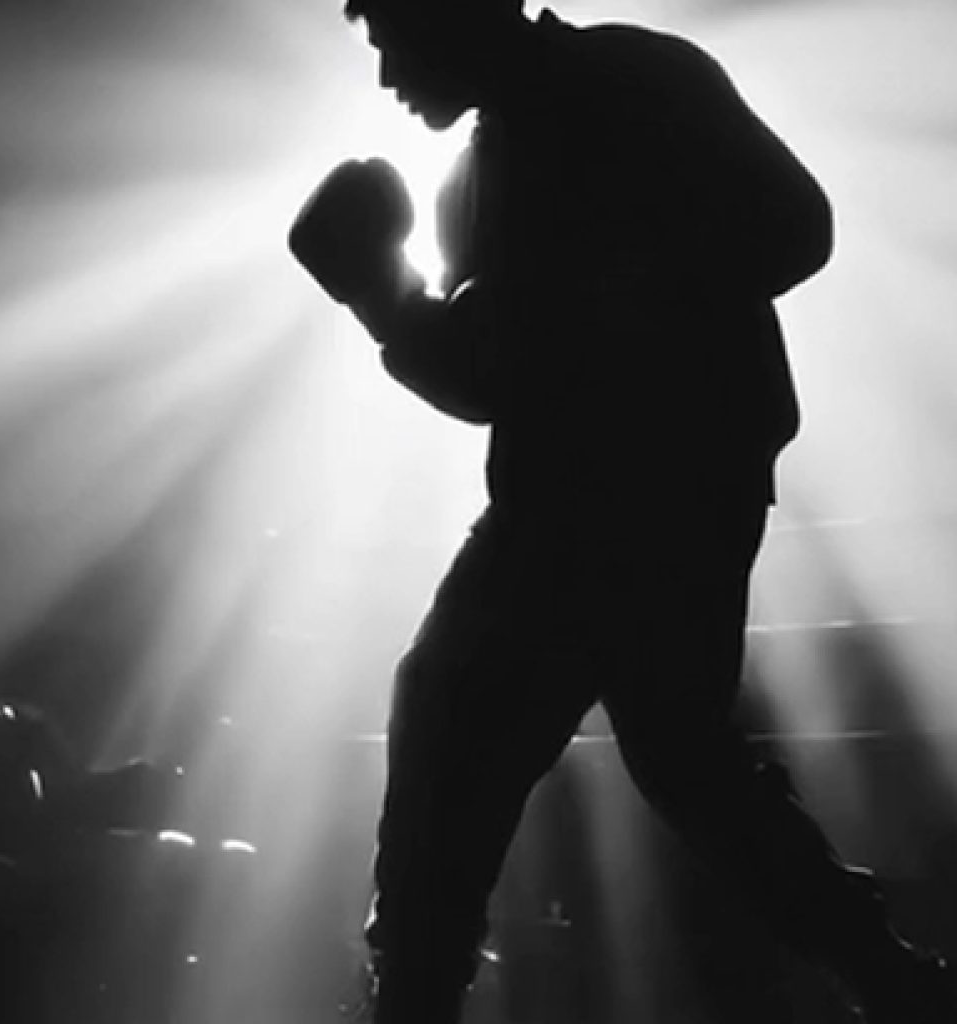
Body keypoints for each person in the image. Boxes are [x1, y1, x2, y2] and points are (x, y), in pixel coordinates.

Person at [288, 2, 956, 1022]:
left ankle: (411, 997)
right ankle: (889, 978)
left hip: (649, 494)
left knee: (480, 721)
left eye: (390, 36)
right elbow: (495, 378)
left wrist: (421, 301)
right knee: (667, 755)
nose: (385, 73)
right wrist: (391, 300)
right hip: (602, 498)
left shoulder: (632, 83)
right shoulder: (484, 167)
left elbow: (794, 227)